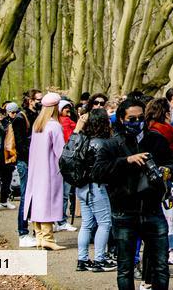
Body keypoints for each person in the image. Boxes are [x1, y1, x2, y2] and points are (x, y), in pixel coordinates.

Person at [93, 97, 173, 290]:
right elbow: (98, 172)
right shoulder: (112, 144)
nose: (136, 122)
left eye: (140, 118)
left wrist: (166, 170)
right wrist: (127, 161)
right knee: (125, 267)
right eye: (131, 118)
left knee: (160, 266)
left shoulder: (156, 139)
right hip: (124, 212)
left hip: (153, 210)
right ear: (122, 119)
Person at [74, 109, 117, 273]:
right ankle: (100, 259)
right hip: (96, 187)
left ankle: (82, 259)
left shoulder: (82, 140)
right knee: (105, 223)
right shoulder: (103, 143)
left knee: (86, 225)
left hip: (82, 186)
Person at [22, 92, 66, 251]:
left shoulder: (37, 124)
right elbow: (61, 151)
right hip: (50, 168)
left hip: (36, 167)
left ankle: (40, 236)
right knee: (48, 201)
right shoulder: (54, 126)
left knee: (37, 200)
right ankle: (47, 238)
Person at [146, 97, 173, 267]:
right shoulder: (165, 132)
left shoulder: (147, 130)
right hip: (168, 181)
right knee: (170, 221)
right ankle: (170, 252)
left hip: (155, 181)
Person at [6, 101, 36, 246]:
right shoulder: (20, 119)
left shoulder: (24, 117)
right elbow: (20, 143)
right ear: (30, 101)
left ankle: (28, 231)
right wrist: (31, 156)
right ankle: (23, 234)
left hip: (27, 161)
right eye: (37, 100)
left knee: (29, 196)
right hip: (25, 162)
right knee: (25, 196)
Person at [57, 100, 79, 233]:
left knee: (62, 193)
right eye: (65, 108)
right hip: (67, 160)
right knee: (64, 193)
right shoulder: (64, 122)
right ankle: (61, 220)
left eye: (69, 108)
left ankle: (58, 219)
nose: (68, 110)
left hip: (63, 160)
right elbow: (73, 137)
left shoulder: (64, 120)